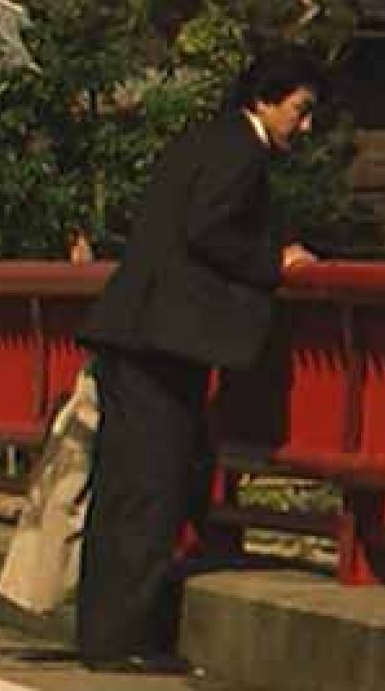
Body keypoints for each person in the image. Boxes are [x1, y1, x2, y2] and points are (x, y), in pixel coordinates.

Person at [75, 46, 324, 675]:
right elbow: (208, 228)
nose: (306, 125)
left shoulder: (202, 140)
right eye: (302, 109)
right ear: (268, 100)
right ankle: (125, 639)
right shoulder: (241, 152)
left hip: (139, 333)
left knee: (128, 487)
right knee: (150, 489)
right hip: (162, 341)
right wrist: (275, 261)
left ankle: (106, 633)